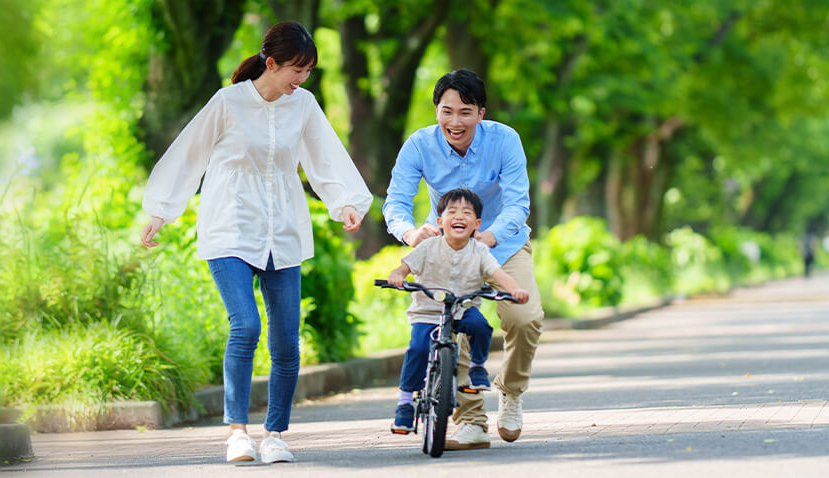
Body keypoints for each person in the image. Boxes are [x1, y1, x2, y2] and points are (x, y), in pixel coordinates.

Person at [139, 21, 372, 464]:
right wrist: (161, 211)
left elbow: (325, 156)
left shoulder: (303, 105)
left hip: (282, 230)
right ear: (272, 63)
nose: (302, 79)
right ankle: (237, 432)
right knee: (245, 326)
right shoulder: (228, 102)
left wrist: (345, 202)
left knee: (286, 342)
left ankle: (275, 434)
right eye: (297, 70)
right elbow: (189, 154)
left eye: (308, 71)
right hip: (230, 226)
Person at [383, 69, 545, 450]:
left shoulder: (504, 140)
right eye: (447, 111)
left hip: (502, 245)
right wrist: (410, 234)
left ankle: (511, 391)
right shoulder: (419, 145)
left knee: (525, 318)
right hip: (446, 249)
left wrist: (487, 237)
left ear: (481, 113)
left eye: (465, 112)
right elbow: (396, 203)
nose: (455, 122)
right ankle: (470, 421)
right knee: (451, 327)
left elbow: (518, 204)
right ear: (437, 110)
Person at [386, 189, 529, 435]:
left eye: (467, 213)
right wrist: (397, 275)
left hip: (463, 308)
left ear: (477, 224)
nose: (459, 216)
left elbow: (498, 274)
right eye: (452, 212)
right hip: (428, 312)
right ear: (439, 222)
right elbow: (405, 267)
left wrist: (514, 289)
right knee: (418, 349)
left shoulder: (480, 251)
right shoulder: (428, 246)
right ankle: (405, 403)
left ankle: (477, 367)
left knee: (481, 327)